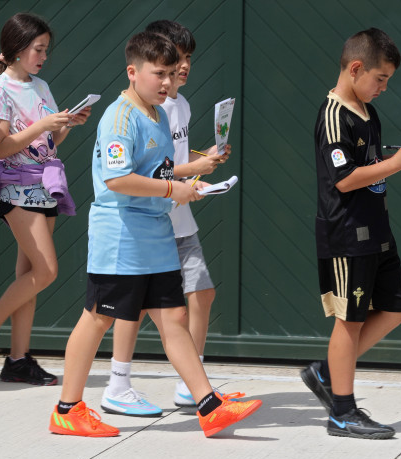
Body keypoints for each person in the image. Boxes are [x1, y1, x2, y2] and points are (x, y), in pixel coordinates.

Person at [48, 31, 261, 438]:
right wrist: (171, 190)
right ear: (133, 72)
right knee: (97, 319)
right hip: (122, 236)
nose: (167, 82)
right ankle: (67, 408)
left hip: (156, 232)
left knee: (174, 317)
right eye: (158, 73)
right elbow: (116, 179)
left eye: (171, 74)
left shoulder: (160, 114)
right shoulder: (119, 117)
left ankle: (208, 405)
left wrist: (190, 178)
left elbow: (157, 172)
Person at [302, 27, 401, 439]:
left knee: (396, 307)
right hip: (347, 234)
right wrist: (397, 165)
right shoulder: (333, 115)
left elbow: (371, 163)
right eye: (380, 78)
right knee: (350, 321)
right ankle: (342, 412)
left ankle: (326, 372)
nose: (384, 88)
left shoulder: (367, 112)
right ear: (356, 68)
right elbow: (344, 180)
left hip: (377, 230)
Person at [100, 20, 231, 417]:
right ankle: (115, 386)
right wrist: (186, 177)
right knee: (122, 311)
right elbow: (145, 172)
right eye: (172, 63)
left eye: (186, 59)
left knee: (197, 296)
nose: (182, 68)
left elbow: (173, 163)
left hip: (177, 219)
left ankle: (194, 389)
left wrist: (203, 161)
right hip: (149, 222)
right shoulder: (142, 111)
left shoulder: (179, 106)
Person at [0, 12, 91, 386]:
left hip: (44, 180)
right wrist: (42, 125)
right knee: (47, 271)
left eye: (46, 49)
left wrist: (65, 125)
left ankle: (18, 359)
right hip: (16, 185)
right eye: (38, 49)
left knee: (29, 276)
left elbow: (47, 142)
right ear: (16, 50)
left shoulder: (41, 86)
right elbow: (1, 146)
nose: (43, 56)